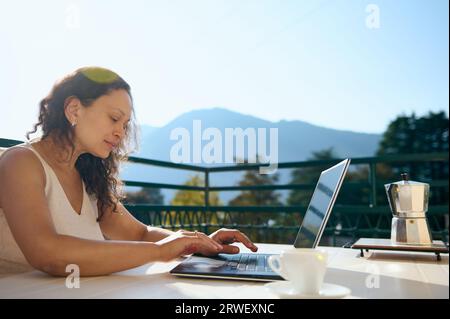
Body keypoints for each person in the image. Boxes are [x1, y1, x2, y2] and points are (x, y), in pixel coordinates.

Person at [0, 66, 258, 277]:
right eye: (114, 118)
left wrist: (197, 243)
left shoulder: (88, 176)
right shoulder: (20, 162)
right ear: (74, 109)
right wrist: (160, 251)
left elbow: (140, 234)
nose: (120, 132)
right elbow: (48, 255)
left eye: (125, 124)